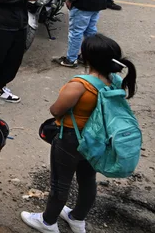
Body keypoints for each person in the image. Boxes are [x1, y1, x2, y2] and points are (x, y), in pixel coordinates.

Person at [21, 34, 137, 233]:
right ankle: (77, 219)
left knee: (60, 182)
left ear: (89, 58)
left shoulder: (80, 85)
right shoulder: (115, 81)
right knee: (87, 179)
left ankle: (48, 222)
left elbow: (56, 110)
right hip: (96, 140)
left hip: (70, 139)